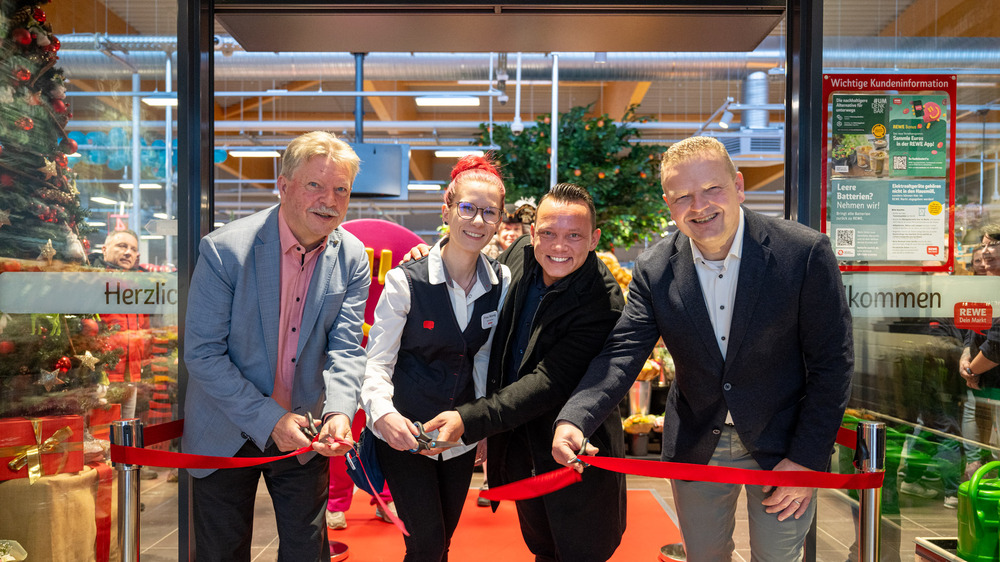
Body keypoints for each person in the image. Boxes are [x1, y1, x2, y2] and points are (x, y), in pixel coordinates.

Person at [552, 136, 854, 561]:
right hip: (698, 442)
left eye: (712, 189)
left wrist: (806, 459)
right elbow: (622, 353)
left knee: (777, 557)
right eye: (683, 197)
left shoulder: (802, 254)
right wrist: (576, 417)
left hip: (783, 444)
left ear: (738, 185)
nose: (700, 206)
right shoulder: (655, 268)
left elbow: (832, 363)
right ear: (668, 203)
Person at [182, 131, 369, 562]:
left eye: (341, 189)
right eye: (315, 185)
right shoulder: (225, 250)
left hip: (305, 432)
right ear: (283, 185)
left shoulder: (352, 256)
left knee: (307, 552)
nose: (329, 199)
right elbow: (203, 354)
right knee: (220, 553)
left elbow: (345, 347)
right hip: (224, 429)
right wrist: (270, 419)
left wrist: (340, 411)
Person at [424, 183, 627, 561]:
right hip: (521, 449)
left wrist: (470, 421)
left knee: (581, 550)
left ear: (595, 238)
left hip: (575, 453)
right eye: (548, 233)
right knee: (541, 548)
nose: (558, 246)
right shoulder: (519, 254)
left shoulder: (603, 300)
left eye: (573, 236)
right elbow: (471, 272)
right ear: (532, 232)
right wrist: (431, 258)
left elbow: (548, 381)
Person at [360, 155, 511, 561]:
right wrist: (383, 415)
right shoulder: (404, 281)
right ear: (447, 207)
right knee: (425, 543)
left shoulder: (501, 281)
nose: (477, 221)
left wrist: (480, 426)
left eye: (488, 212)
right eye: (467, 208)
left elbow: (483, 360)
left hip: (459, 436)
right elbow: (377, 362)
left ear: (499, 220)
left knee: (441, 540)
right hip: (404, 433)